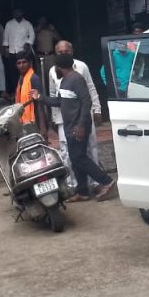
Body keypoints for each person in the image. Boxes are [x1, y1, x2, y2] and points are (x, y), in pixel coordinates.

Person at [33, 53, 114, 203]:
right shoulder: (65, 81)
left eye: (55, 67)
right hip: (70, 127)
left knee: (79, 158)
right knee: (75, 159)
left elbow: (87, 102)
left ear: (59, 67)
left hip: (77, 127)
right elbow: (59, 101)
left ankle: (106, 181)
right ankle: (82, 192)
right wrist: (40, 98)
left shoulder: (76, 79)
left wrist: (81, 125)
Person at [48, 40, 102, 187]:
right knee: (66, 152)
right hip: (64, 118)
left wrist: (97, 109)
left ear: (72, 52)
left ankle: (96, 183)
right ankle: (74, 184)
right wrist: (54, 118)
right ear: (56, 54)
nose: (63, 54)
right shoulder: (53, 71)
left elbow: (91, 89)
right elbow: (53, 95)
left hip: (83, 117)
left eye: (66, 52)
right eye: (60, 52)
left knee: (90, 148)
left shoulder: (82, 66)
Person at [13, 52, 47, 137]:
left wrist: (43, 128)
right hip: (24, 122)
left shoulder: (34, 78)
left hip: (35, 121)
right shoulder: (21, 79)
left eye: (24, 62)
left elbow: (40, 103)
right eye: (19, 63)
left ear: (29, 63)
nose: (21, 65)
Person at [34, 16, 61, 90]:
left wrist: (53, 30)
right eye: (41, 21)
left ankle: (53, 92)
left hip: (50, 56)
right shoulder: (36, 31)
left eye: (44, 21)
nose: (43, 23)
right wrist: (36, 31)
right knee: (41, 76)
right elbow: (32, 41)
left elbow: (59, 39)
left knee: (52, 74)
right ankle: (43, 93)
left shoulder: (50, 31)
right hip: (40, 56)